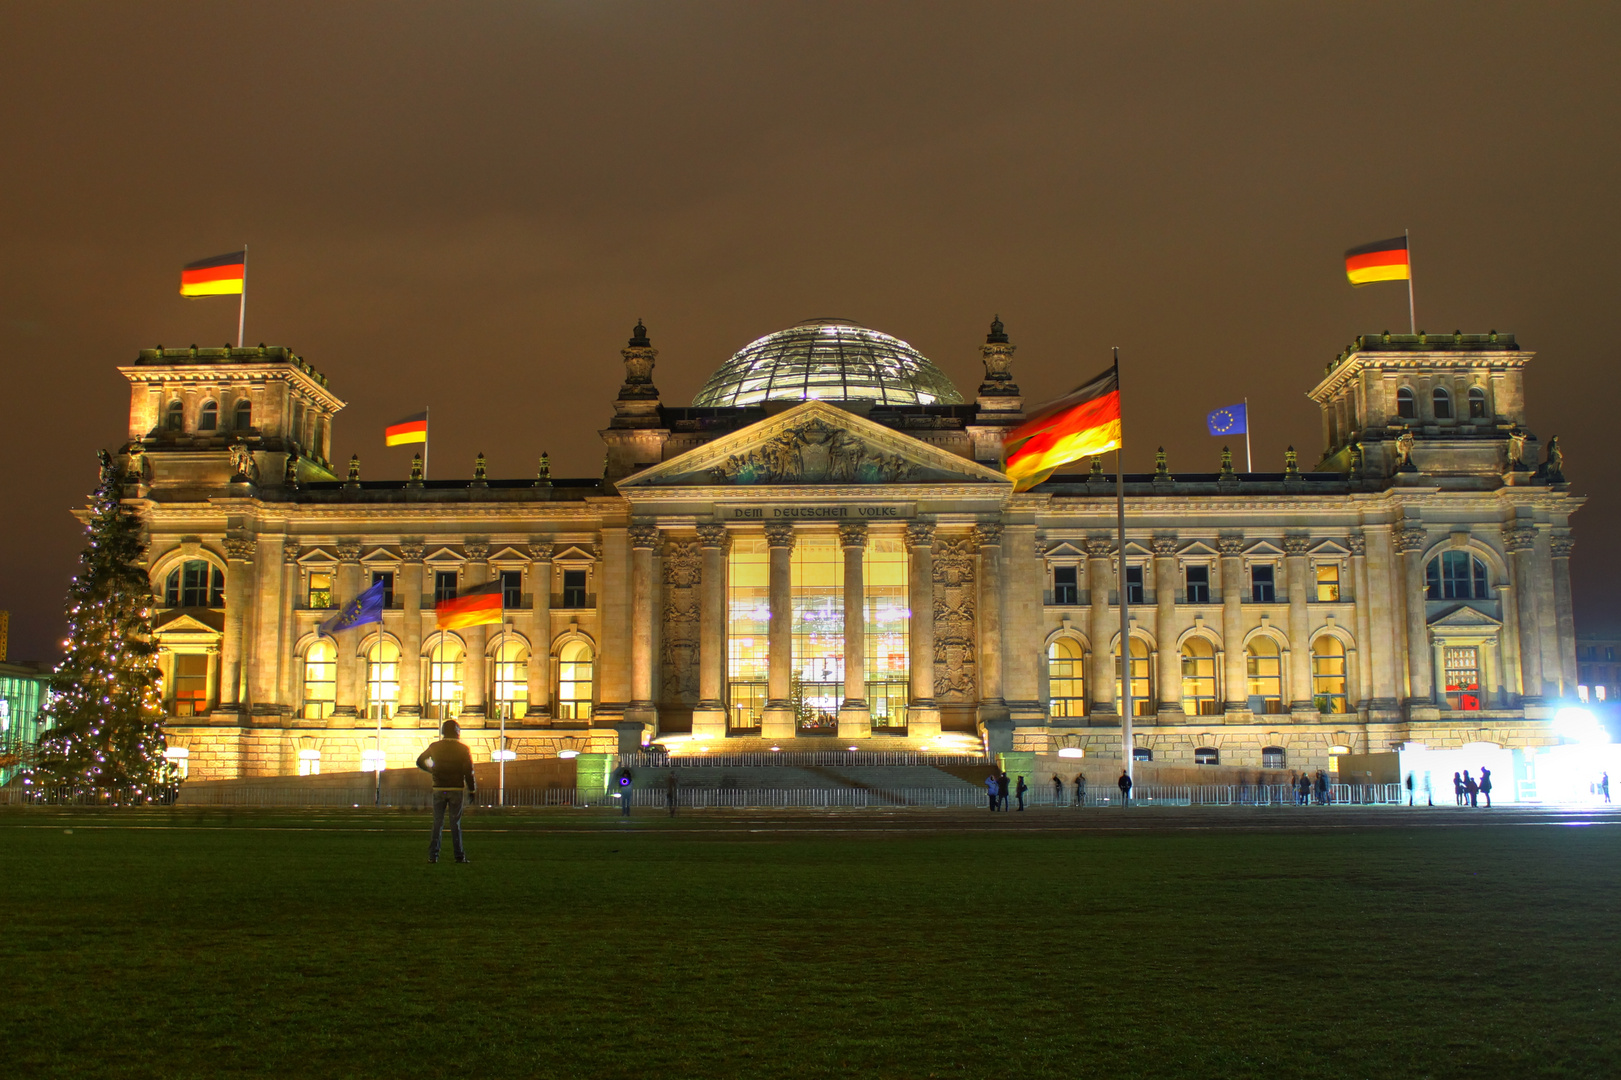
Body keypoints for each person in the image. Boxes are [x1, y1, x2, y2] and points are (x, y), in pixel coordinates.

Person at [416, 720, 476, 864]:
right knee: (455, 823)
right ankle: (459, 856)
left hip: (439, 788)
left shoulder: (435, 747)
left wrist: (432, 769)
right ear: (457, 732)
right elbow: (469, 771)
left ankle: (433, 856)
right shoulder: (463, 749)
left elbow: (420, 761)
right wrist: (472, 789)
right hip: (456, 788)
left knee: (437, 822)